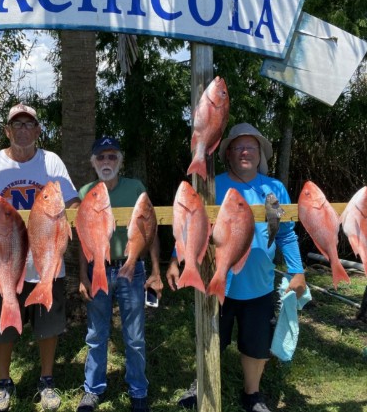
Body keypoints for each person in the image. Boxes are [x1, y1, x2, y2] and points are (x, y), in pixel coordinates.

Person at [166, 123, 306, 412]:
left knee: (256, 346)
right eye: (238, 147)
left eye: (251, 147)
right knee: (210, 338)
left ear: (260, 154)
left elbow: (284, 233)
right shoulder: (212, 186)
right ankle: (201, 384)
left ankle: (252, 395)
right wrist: (174, 258)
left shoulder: (271, 191)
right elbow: (191, 227)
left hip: (259, 284)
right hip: (218, 281)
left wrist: (298, 270)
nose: (245, 152)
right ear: (228, 153)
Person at [0, 103, 80, 412]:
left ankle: (46, 380)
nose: (23, 130)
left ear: (38, 131)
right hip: (5, 261)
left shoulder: (51, 161)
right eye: (16, 125)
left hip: (45, 263)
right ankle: (3, 382)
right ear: (7, 131)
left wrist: (61, 220)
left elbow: (71, 201)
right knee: (2, 326)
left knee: (49, 325)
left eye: (29, 125)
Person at [76, 137, 163, 412]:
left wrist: (156, 272)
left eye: (112, 157)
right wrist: (82, 276)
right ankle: (92, 389)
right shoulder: (85, 192)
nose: (106, 162)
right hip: (97, 269)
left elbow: (150, 231)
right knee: (96, 333)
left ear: (120, 161)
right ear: (93, 163)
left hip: (132, 270)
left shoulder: (136, 188)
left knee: (135, 335)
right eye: (101, 157)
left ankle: (138, 390)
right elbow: (82, 239)